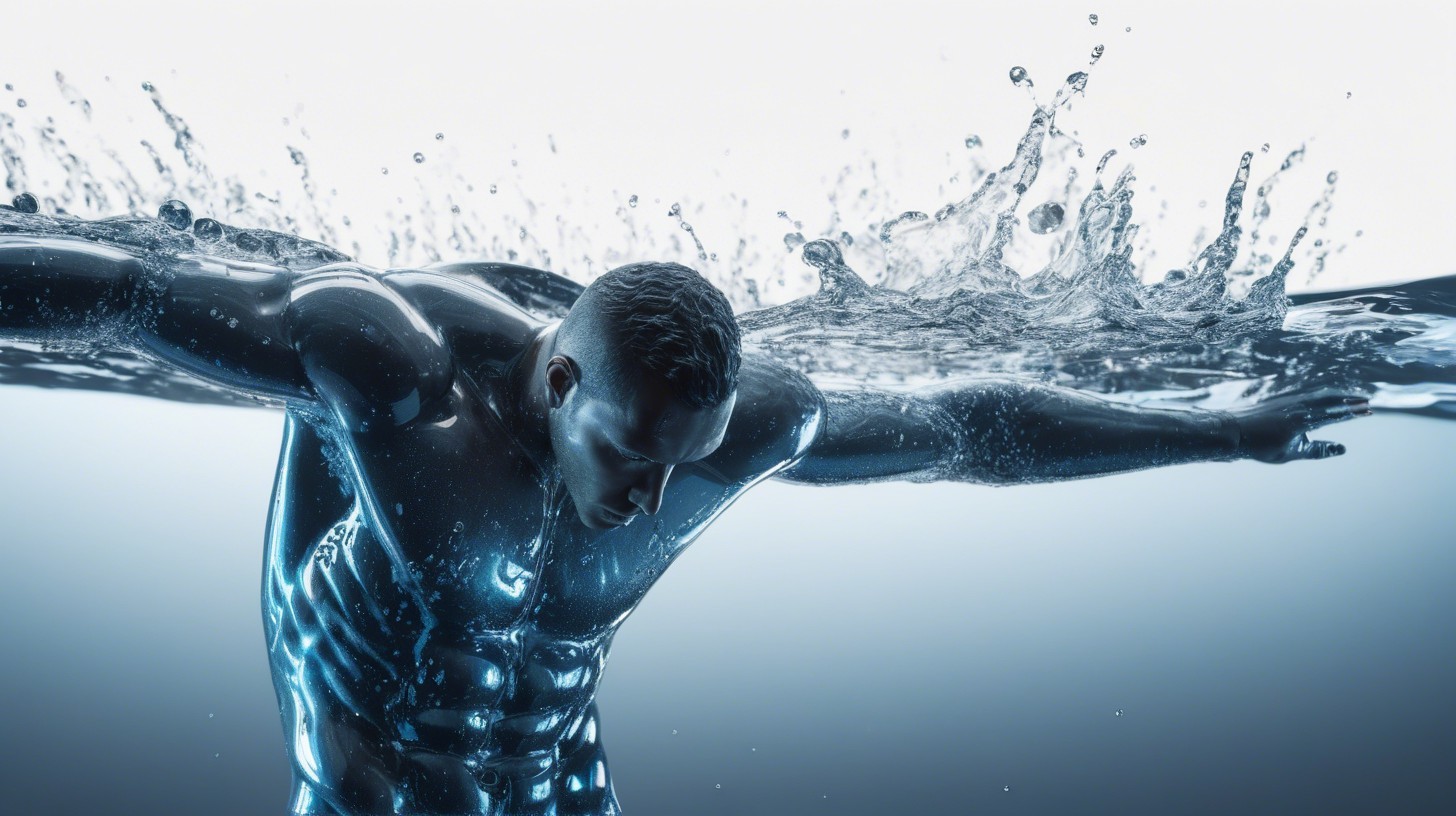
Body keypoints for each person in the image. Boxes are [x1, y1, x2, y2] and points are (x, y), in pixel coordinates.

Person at [0, 234, 1369, 815]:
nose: (654, 503)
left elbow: (966, 429)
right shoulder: (404, 384)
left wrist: (1216, 432)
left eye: (683, 466)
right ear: (554, 382)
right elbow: (124, 293)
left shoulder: (730, 437)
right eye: (630, 456)